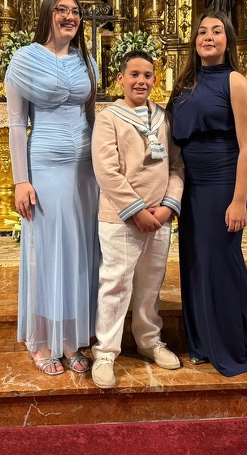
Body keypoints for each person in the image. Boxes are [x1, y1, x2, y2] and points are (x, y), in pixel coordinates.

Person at [5, 0, 100, 376]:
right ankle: (43, 340)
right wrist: (20, 181)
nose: (70, 16)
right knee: (49, 252)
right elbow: (16, 123)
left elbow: (90, 115)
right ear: (48, 14)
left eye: (75, 11)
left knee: (80, 250)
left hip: (85, 168)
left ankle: (70, 338)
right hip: (45, 164)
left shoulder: (86, 61)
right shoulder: (24, 59)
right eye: (62, 9)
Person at [167, 10, 247, 377]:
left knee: (221, 263)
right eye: (202, 32)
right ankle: (203, 343)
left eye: (217, 31)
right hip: (190, 184)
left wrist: (239, 201)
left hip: (223, 183)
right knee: (194, 262)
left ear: (228, 40)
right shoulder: (185, 83)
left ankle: (234, 348)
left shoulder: (235, 81)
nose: (208, 37)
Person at [89, 51, 185, 389]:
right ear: (120, 79)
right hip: (121, 218)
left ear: (155, 80)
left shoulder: (165, 118)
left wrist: (168, 207)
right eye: (134, 74)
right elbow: (106, 171)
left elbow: (177, 166)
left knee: (150, 283)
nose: (140, 81)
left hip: (159, 218)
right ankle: (105, 352)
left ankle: (149, 339)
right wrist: (137, 210)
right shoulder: (109, 118)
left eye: (147, 75)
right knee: (115, 284)